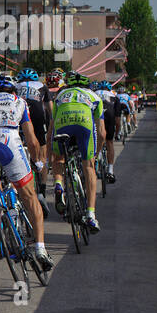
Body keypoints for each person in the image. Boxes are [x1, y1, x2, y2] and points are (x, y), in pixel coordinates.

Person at [0, 74, 51, 271]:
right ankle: (40, 248)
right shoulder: (18, 101)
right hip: (9, 143)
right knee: (29, 195)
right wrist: (38, 162)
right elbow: (31, 140)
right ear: (12, 90)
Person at [50, 71, 104, 232]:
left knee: (59, 159)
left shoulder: (60, 96)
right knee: (88, 167)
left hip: (63, 123)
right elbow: (102, 133)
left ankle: (59, 185)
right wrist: (96, 153)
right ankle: (91, 215)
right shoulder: (94, 96)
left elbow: (51, 128)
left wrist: (50, 155)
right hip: (84, 124)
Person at [13, 68, 51, 215]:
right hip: (38, 116)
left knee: (19, 145)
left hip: (21, 115)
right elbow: (49, 110)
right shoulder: (42, 86)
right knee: (42, 151)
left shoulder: (15, 87)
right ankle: (42, 189)